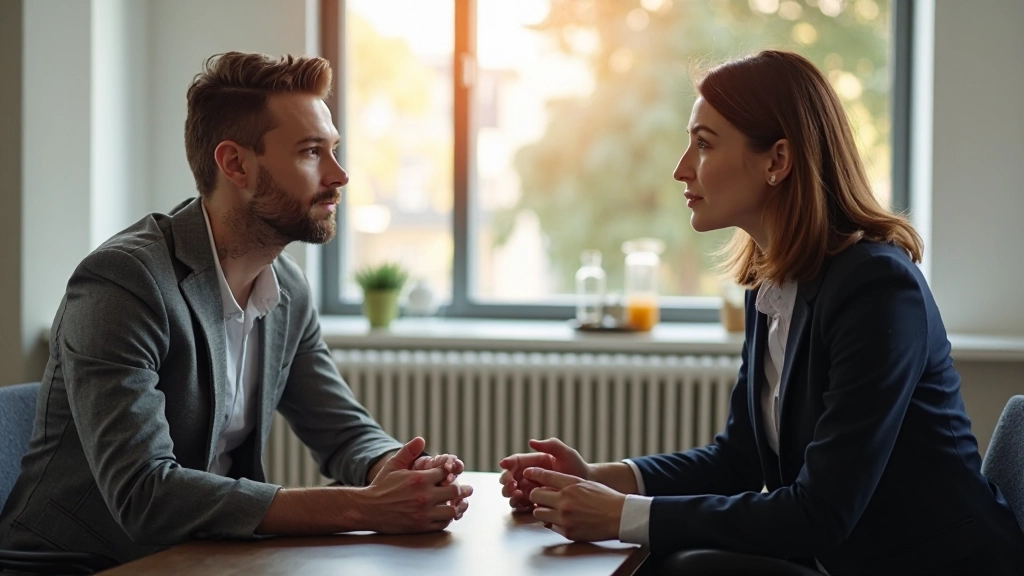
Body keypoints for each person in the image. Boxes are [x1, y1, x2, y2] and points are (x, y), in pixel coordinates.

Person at [498, 50, 1024, 576]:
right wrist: (602, 478)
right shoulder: (770, 286)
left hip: (936, 569)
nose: (682, 169)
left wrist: (621, 516)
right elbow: (740, 459)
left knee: (681, 568)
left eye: (703, 144)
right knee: (671, 560)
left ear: (777, 160)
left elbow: (820, 512)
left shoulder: (877, 288)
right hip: (843, 559)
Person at [0, 52, 471, 566]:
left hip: (205, 555)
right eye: (312, 152)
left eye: (334, 150)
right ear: (236, 164)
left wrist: (400, 469)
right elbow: (145, 495)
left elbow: (343, 432)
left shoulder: (287, 286)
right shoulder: (124, 282)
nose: (339, 175)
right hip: (82, 563)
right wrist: (364, 507)